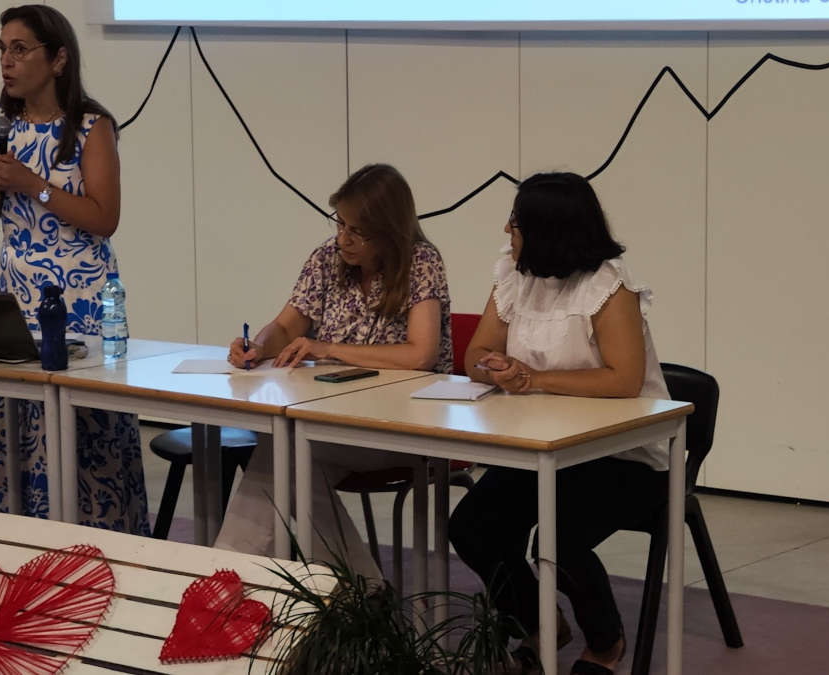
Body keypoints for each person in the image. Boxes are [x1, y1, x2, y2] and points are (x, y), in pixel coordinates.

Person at [448, 172, 675, 674]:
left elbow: (624, 380)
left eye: (516, 221)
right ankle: (538, 622)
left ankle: (606, 640)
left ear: (549, 230)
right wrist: (494, 366)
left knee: (558, 542)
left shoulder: (608, 287)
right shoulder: (515, 276)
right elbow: (475, 352)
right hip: (543, 447)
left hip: (622, 455)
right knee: (472, 527)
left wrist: (533, 379)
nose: (507, 229)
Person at [215, 163, 453, 579]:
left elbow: (421, 355)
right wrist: (260, 346)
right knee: (286, 451)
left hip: (403, 424)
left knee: (285, 451)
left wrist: (329, 349)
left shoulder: (421, 262)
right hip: (330, 417)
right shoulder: (328, 258)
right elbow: (286, 325)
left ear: (389, 231)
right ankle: (358, 587)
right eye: (340, 223)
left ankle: (229, 572)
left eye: (357, 231)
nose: (343, 238)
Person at [0, 5, 148, 533]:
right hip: (16, 296)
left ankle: (101, 543)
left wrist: (33, 185)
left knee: (85, 433)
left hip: (81, 301)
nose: (7, 61)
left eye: (21, 49)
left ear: (59, 59)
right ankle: (20, 543)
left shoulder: (91, 126)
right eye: (2, 49)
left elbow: (104, 217)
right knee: (17, 428)